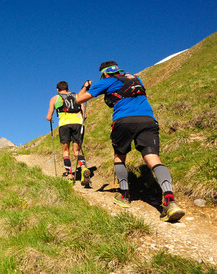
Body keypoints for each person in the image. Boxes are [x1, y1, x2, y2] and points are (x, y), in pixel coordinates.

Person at [76, 61, 185, 222]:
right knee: (153, 158)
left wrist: (85, 86)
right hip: (148, 119)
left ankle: (125, 196)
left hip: (123, 120)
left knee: (120, 156)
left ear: (105, 73)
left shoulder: (106, 80)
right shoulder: (135, 78)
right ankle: (170, 200)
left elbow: (79, 99)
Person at [46, 81, 91, 186]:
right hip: (78, 124)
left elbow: (48, 117)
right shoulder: (76, 96)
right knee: (77, 151)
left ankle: (70, 176)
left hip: (64, 125)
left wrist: (51, 118)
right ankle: (83, 167)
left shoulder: (54, 98)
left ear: (57, 89)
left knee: (66, 152)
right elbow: (85, 115)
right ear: (67, 88)